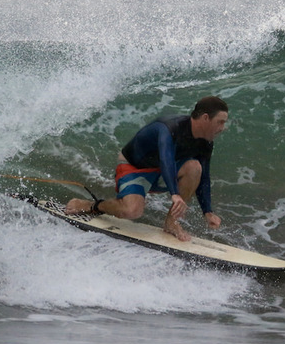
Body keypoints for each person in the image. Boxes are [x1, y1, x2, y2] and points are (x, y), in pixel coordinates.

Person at [66, 96, 229, 242]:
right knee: (131, 211)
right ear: (206, 118)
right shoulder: (170, 127)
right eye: (220, 122)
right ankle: (92, 205)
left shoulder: (206, 142)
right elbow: (166, 159)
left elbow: (204, 177)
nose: (223, 127)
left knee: (195, 167)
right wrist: (174, 194)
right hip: (135, 169)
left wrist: (207, 211)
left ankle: (171, 222)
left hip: (162, 174)